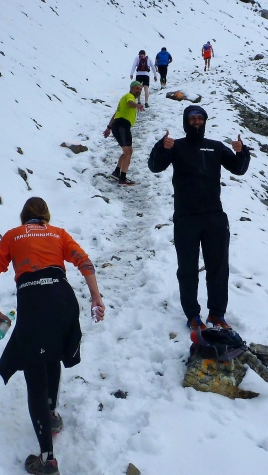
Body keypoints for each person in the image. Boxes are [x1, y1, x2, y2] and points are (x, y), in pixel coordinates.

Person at [0, 197, 106, 475]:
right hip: (64, 301)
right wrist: (96, 297)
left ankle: (47, 460)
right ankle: (50, 414)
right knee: (51, 353)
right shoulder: (58, 234)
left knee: (35, 372)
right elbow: (85, 263)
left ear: (23, 217)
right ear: (45, 217)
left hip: (35, 303)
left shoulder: (13, 236)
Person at [147, 105, 250, 333]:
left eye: (200, 118)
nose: (196, 121)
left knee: (218, 267)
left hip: (214, 216)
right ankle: (192, 315)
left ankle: (217, 313)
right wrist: (161, 147)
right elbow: (155, 166)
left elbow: (239, 169)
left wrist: (242, 152)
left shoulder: (215, 146)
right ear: (186, 121)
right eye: (192, 118)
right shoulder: (176, 146)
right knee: (187, 268)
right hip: (186, 217)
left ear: (205, 121)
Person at [103, 81, 145, 186]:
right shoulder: (129, 96)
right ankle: (122, 179)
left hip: (118, 125)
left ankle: (117, 172)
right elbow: (130, 103)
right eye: (137, 88)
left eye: (140, 89)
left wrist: (109, 127)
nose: (139, 91)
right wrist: (137, 105)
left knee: (127, 152)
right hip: (122, 125)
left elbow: (116, 114)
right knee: (128, 152)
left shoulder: (124, 98)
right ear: (131, 88)